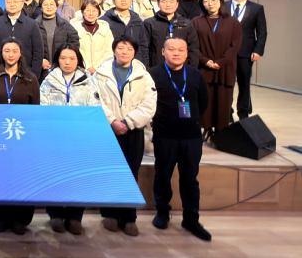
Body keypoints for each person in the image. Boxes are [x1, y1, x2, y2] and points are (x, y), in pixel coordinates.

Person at [149, 37, 211, 241]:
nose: (176, 53)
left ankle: (191, 219)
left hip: (191, 137)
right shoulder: (153, 74)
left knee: (190, 179)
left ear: (186, 53)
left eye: (181, 50)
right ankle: (162, 213)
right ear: (163, 52)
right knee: (162, 175)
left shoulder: (195, 74)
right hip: (165, 135)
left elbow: (203, 102)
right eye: (171, 49)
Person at [94, 36, 157, 237]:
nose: (124, 52)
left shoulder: (143, 76)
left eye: (129, 49)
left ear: (135, 52)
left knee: (131, 173)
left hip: (133, 131)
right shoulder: (101, 74)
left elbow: (149, 105)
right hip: (108, 130)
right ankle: (110, 215)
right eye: (121, 48)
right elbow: (95, 99)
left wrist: (128, 122)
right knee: (109, 173)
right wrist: (112, 121)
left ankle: (129, 217)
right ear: (114, 50)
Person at [40, 44, 101, 235]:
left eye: (72, 58)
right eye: (63, 58)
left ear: (78, 60)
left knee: (78, 177)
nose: (67, 62)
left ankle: (75, 217)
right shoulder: (48, 81)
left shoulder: (88, 81)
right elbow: (42, 108)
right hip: (55, 138)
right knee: (55, 176)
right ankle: (55, 215)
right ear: (57, 60)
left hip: (79, 139)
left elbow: (95, 108)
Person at [0, 37, 39, 234]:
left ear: (20, 54)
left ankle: (20, 219)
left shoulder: (30, 79)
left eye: (14, 51)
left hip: (21, 137)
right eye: (6, 51)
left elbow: (35, 110)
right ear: (1, 53)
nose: (10, 55)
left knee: (22, 177)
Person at [193, 0, 242, 138]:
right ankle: (206, 128)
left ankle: (221, 131)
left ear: (220, 2)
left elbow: (235, 46)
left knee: (223, 100)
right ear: (202, 4)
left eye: (213, 0)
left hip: (225, 68)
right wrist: (205, 61)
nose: (210, 4)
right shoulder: (196, 22)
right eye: (206, 1)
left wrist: (220, 62)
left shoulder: (233, 22)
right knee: (205, 100)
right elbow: (193, 46)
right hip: (204, 67)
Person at [222, 0, 268, 120]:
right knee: (226, 83)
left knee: (244, 83)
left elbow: (262, 32)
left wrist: (258, 50)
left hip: (246, 52)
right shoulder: (223, 6)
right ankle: (226, 112)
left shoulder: (257, 8)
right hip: (225, 52)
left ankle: (243, 113)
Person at [0, 0, 45, 80]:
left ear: (22, 4)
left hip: (26, 75)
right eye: (8, 2)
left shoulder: (32, 24)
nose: (12, 4)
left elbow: (38, 52)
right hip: (0, 74)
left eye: (15, 1)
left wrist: (33, 76)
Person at [143, 0, 200, 68]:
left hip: (182, 68)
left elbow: (193, 48)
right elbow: (144, 48)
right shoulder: (149, 23)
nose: (168, 5)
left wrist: (192, 68)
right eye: (164, 2)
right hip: (156, 67)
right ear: (158, 4)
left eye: (171, 2)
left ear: (177, 4)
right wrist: (146, 68)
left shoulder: (186, 23)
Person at [101, 0, 150, 65]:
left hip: (136, 63)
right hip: (112, 63)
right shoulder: (104, 21)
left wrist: (144, 64)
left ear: (131, 0)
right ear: (113, 1)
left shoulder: (137, 20)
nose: (123, 0)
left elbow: (143, 44)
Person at [35, 0, 79, 77]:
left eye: (52, 4)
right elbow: (29, 47)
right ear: (41, 7)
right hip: (40, 71)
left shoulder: (64, 24)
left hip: (60, 69)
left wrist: (65, 59)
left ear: (56, 7)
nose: (49, 7)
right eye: (45, 5)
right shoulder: (34, 25)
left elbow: (74, 42)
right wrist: (40, 60)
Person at [70, 0, 114, 74]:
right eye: (87, 10)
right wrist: (87, 66)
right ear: (82, 12)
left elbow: (109, 51)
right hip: (81, 69)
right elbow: (74, 50)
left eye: (94, 11)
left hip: (102, 70)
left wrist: (98, 68)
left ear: (98, 13)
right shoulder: (75, 28)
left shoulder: (105, 28)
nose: (91, 13)